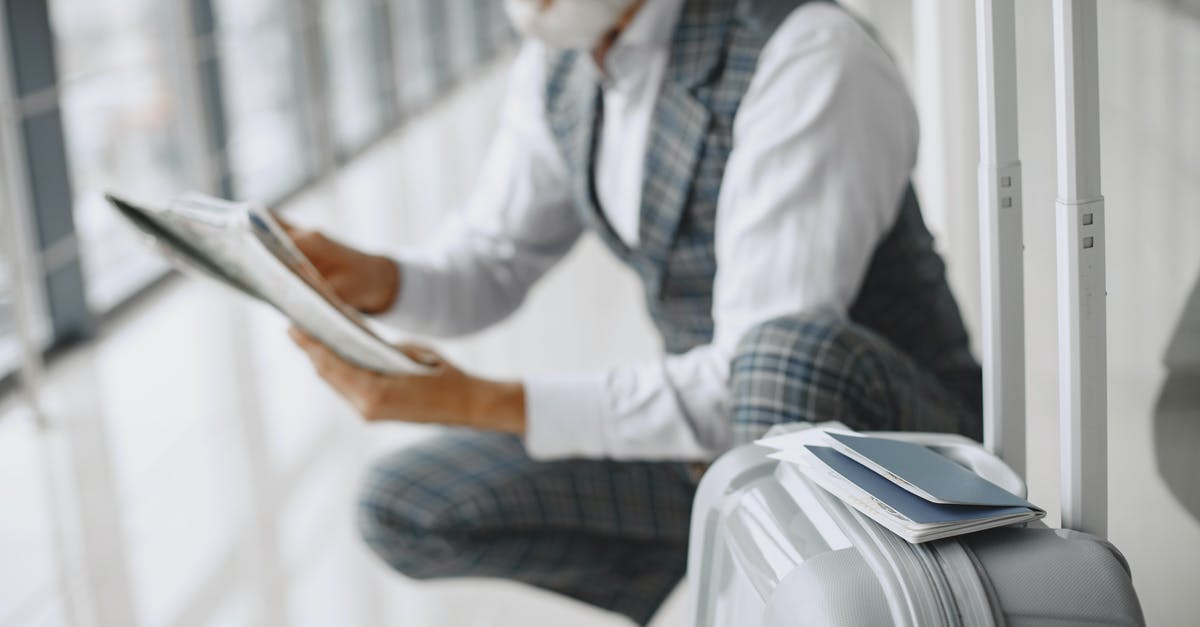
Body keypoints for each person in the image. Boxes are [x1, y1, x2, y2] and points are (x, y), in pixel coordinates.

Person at [287, 0, 983, 623]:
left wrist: (481, 399)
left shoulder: (808, 52)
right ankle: (729, 571)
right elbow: (493, 260)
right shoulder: (562, 53)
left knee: (783, 357)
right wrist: (373, 279)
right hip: (714, 443)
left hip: (893, 448)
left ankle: (778, 591)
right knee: (405, 504)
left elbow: (752, 375)